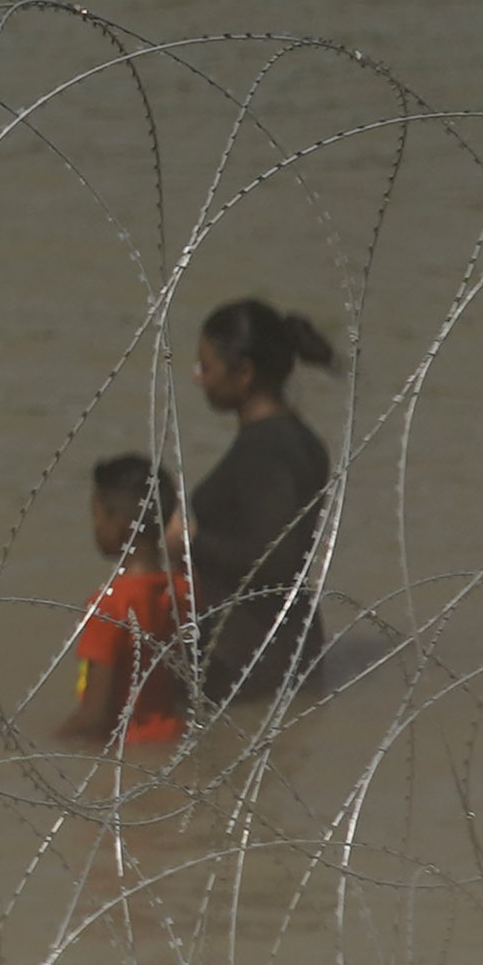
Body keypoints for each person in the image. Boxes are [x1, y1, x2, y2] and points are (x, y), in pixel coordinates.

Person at [183, 297, 339, 703]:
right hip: (284, 651)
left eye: (207, 367)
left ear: (245, 372)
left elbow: (277, 559)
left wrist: (188, 541)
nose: (198, 378)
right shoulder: (299, 441)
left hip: (248, 662)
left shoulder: (267, 451)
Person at [50, 454, 191, 751]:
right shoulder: (182, 587)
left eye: (97, 515)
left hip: (127, 751)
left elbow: (93, 716)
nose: (95, 526)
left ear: (120, 523)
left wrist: (46, 746)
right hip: (174, 739)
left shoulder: (109, 604)